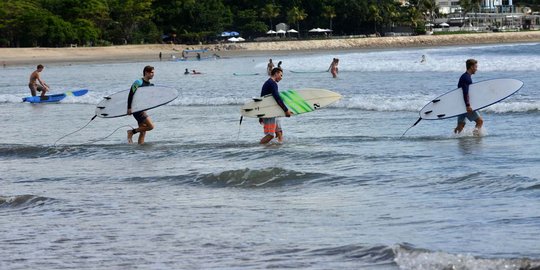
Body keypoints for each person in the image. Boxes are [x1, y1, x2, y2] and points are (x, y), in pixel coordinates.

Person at [259, 67, 293, 144]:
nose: (281, 78)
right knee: (271, 135)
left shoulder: (269, 83)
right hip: (269, 112)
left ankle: (279, 149)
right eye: (281, 75)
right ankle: (259, 147)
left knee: (279, 132)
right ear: (276, 73)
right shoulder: (272, 83)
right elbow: (277, 98)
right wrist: (286, 110)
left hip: (272, 111)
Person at [127, 66, 155, 144]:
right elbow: (131, 94)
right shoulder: (138, 82)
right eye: (151, 72)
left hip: (142, 109)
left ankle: (140, 150)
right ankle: (131, 132)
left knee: (143, 131)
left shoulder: (150, 84)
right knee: (150, 126)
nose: (153, 74)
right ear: (146, 72)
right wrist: (129, 108)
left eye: (153, 72)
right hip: (136, 109)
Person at [454, 59, 483, 135]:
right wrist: (468, 105)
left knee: (461, 125)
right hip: (465, 105)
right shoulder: (466, 78)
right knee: (480, 121)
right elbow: (465, 92)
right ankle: (475, 137)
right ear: (471, 67)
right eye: (475, 67)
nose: (476, 69)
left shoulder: (465, 76)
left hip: (461, 104)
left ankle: (454, 138)